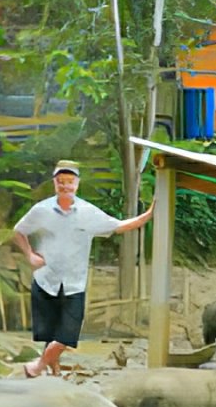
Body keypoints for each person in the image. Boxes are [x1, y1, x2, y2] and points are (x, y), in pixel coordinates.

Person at [12, 160, 154, 378]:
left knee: (68, 333)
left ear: (77, 184)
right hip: (46, 279)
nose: (65, 186)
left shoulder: (88, 212)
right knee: (50, 334)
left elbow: (118, 226)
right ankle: (54, 373)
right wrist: (30, 255)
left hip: (74, 283)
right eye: (61, 181)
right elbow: (18, 231)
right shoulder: (41, 210)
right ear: (54, 183)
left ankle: (37, 366)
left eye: (70, 181)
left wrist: (149, 214)